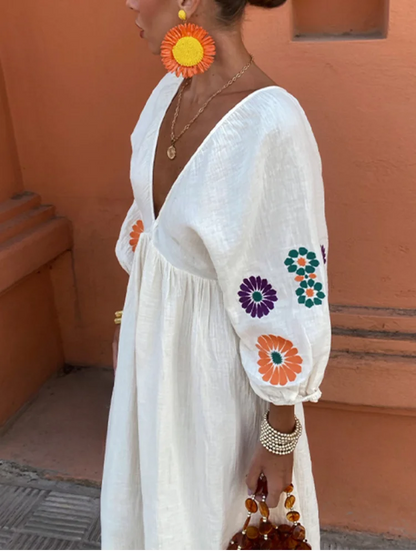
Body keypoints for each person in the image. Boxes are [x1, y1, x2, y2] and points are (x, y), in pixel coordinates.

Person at [101, 0, 331, 552]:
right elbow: (155, 238)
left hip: (217, 383)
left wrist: (279, 433)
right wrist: (129, 325)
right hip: (152, 367)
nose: (129, 2)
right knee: (155, 513)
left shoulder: (272, 124)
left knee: (211, 520)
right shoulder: (168, 94)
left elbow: (290, 285)